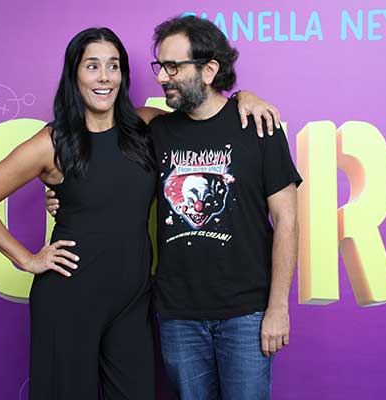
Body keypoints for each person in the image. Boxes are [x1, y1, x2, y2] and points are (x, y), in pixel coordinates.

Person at [0, 26, 279, 400]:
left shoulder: (146, 126)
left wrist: (242, 97)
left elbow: (205, 109)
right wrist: (27, 259)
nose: (104, 77)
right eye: (92, 66)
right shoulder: (53, 143)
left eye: (113, 66)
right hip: (69, 298)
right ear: (75, 74)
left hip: (132, 302)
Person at [48, 16, 301, 400]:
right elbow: (101, 170)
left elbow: (286, 221)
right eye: (160, 66)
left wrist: (278, 308)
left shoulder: (259, 127)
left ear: (209, 70)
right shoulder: (156, 131)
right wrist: (62, 194)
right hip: (178, 316)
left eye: (173, 67)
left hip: (245, 314)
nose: (162, 77)